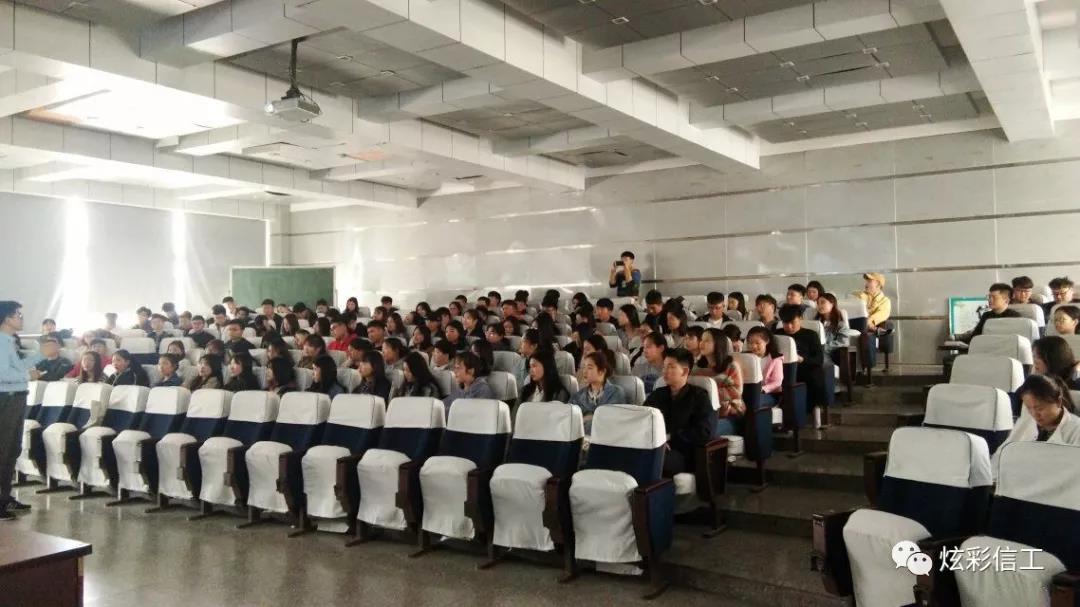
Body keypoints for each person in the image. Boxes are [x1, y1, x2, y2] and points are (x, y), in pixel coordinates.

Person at [0, 301, 44, 519]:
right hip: (6, 399)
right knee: (3, 450)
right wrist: (29, 376)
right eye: (18, 314)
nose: (21, 318)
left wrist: (41, 354)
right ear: (7, 318)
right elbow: (2, 374)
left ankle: (4, 497)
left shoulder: (9, 341)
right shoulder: (1, 342)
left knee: (11, 450)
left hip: (16, 398)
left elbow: (17, 367)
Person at [644, 348, 716, 476]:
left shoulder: (699, 396)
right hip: (654, 446)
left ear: (685, 371)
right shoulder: (657, 395)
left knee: (651, 461)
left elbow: (704, 432)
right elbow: (643, 419)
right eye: (664, 366)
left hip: (683, 453)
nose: (665, 371)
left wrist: (670, 437)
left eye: (671, 367)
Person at [993, 375, 1080, 477]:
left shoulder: (1076, 430)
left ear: (1058, 401)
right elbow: (1001, 456)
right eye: (1029, 408)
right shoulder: (1026, 422)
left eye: (1040, 408)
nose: (1034, 414)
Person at [694, 329, 744, 435]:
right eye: (701, 340)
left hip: (729, 415)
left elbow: (736, 392)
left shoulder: (731, 366)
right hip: (702, 414)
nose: (702, 343)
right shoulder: (696, 368)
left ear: (718, 344)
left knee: (701, 433)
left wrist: (707, 394)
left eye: (707, 340)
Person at [778, 303, 825, 409]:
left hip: (804, 367)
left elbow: (819, 359)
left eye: (792, 322)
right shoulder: (778, 334)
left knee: (815, 374)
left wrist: (802, 359)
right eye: (785, 323)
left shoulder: (811, 335)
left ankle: (810, 408)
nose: (789, 326)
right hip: (783, 368)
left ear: (800, 318)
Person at [569, 351, 627, 432]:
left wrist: (586, 419)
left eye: (589, 368)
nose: (584, 371)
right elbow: (569, 420)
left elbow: (611, 420)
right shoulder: (577, 396)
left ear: (602, 371)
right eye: (584, 367)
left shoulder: (616, 393)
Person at [953, 283, 1020, 344]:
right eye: (989, 297)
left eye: (994, 297)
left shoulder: (1015, 317)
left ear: (1006, 300)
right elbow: (975, 336)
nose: (989, 300)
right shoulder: (986, 315)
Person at [853, 272, 893, 375]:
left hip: (865, 327)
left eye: (870, 281)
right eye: (866, 281)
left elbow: (881, 315)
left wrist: (867, 321)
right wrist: (862, 297)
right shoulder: (859, 295)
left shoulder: (885, 301)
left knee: (865, 334)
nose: (866, 283)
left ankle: (865, 367)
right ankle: (875, 329)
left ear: (878, 284)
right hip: (858, 325)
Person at [747, 326, 783, 404]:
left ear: (766, 341)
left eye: (757, 343)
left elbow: (777, 382)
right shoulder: (746, 357)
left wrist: (762, 389)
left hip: (769, 394)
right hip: (749, 392)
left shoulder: (775, 358)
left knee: (752, 401)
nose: (753, 346)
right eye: (750, 343)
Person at [817, 293, 850, 364]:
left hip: (830, 353)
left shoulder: (840, 324)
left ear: (832, 304)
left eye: (822, 302)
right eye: (818, 303)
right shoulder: (816, 323)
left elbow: (843, 342)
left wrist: (823, 347)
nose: (819, 306)